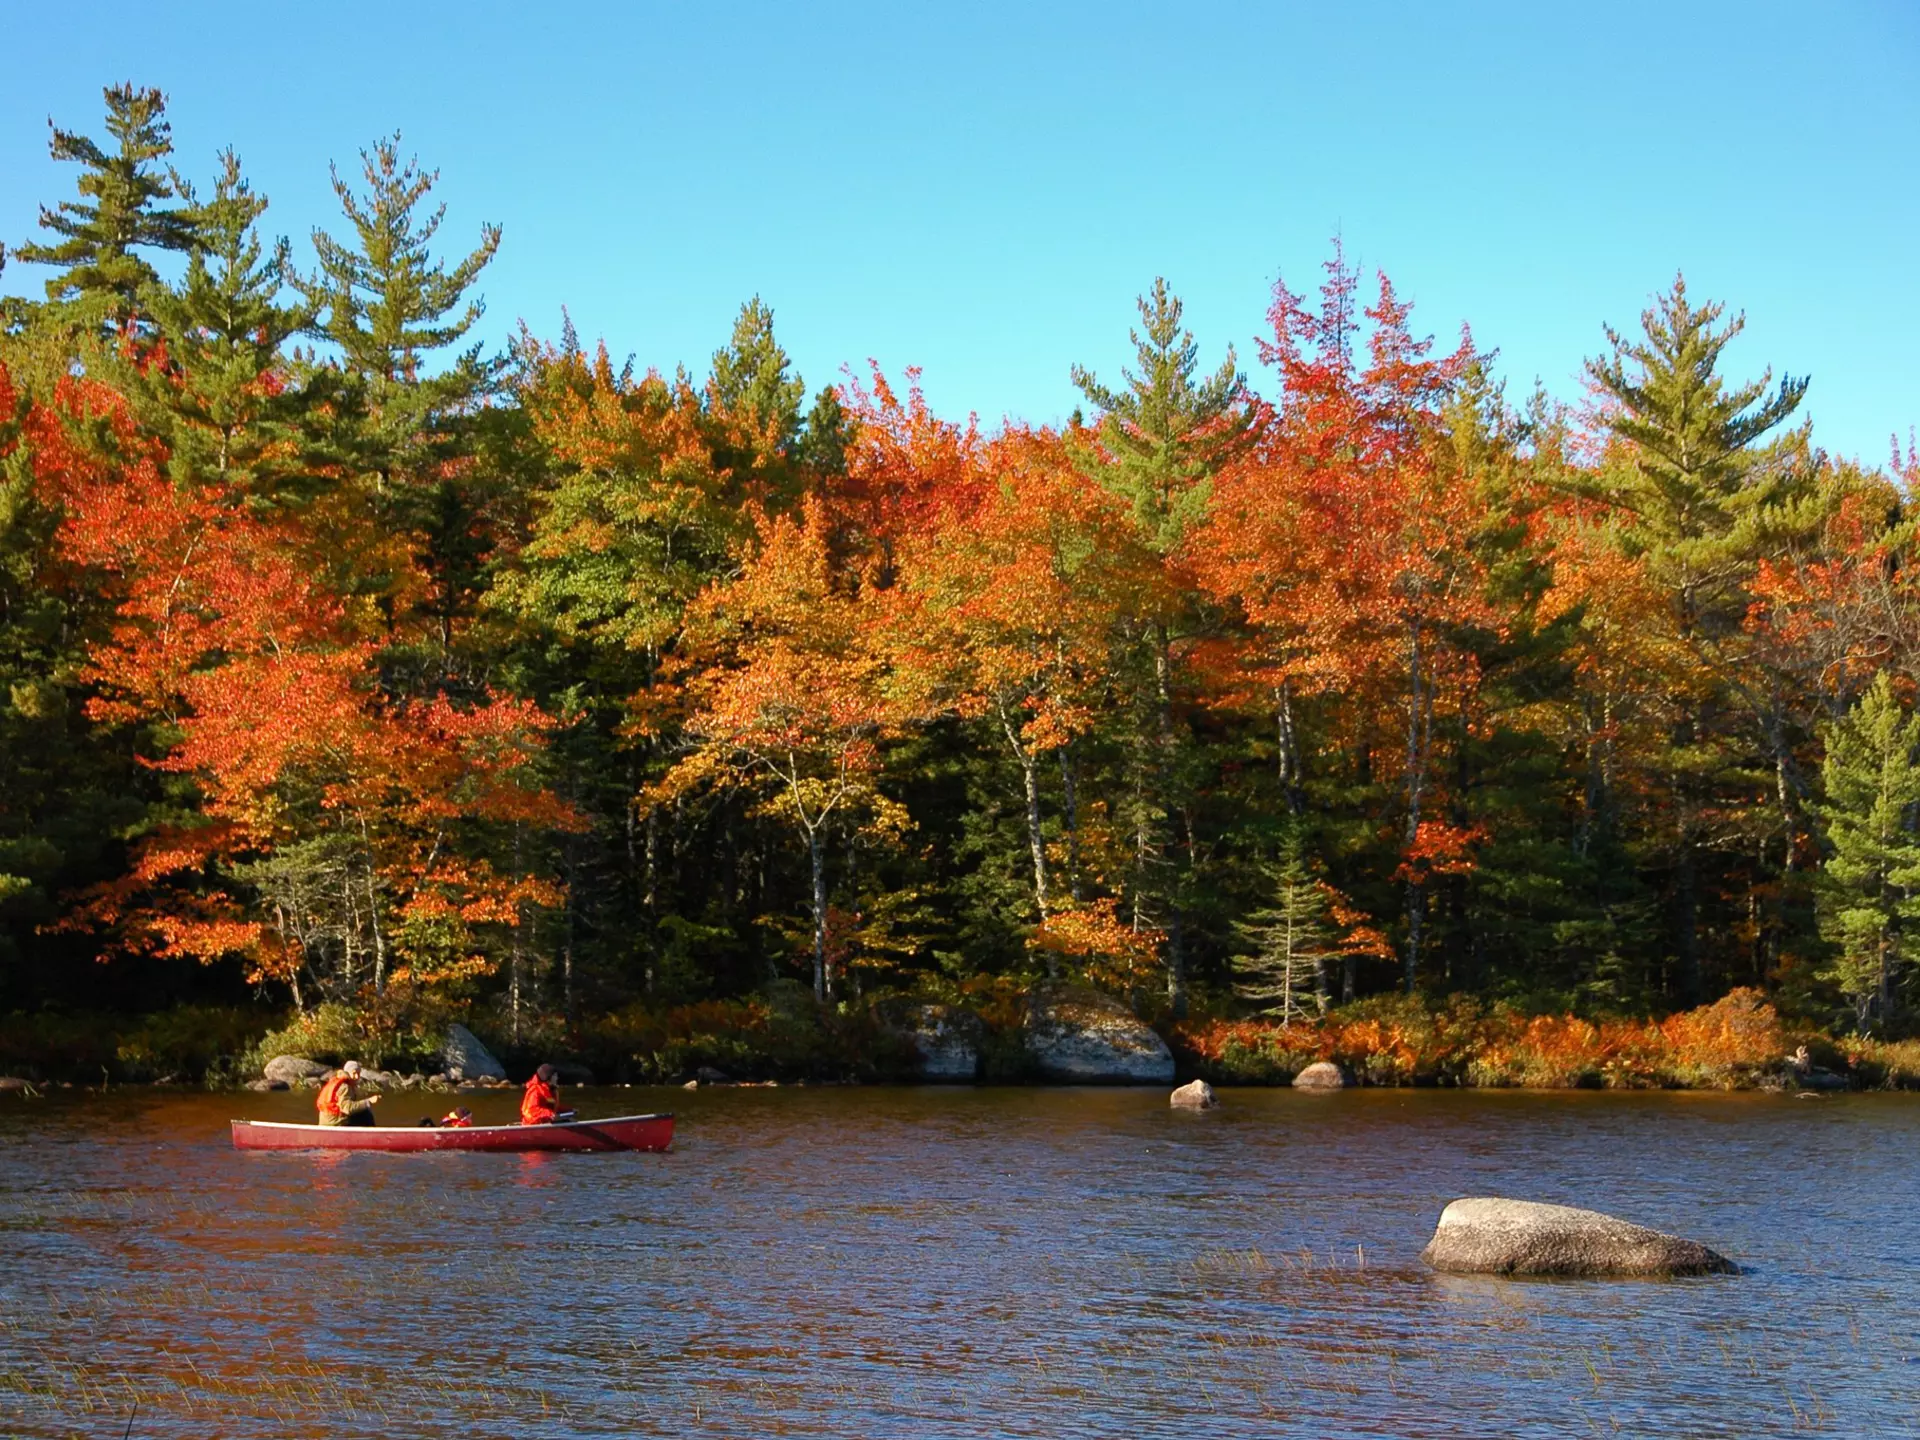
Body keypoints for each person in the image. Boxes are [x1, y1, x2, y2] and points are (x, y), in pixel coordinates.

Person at [316, 1060, 380, 1127]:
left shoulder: (337, 1081)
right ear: (348, 1073)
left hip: (327, 1121)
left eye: (358, 1074)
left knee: (360, 1112)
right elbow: (347, 1108)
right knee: (365, 1114)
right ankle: (372, 1135)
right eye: (354, 1073)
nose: (357, 1077)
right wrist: (368, 1101)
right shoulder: (345, 1087)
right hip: (335, 1123)